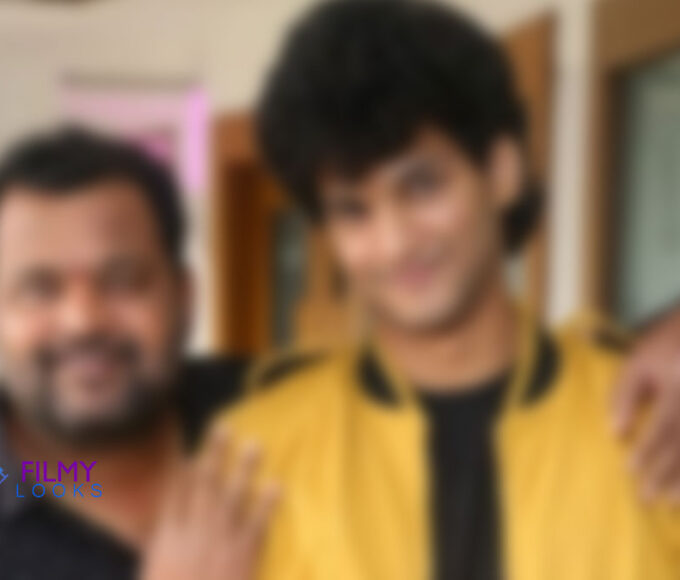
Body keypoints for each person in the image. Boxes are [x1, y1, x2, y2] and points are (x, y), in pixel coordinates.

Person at [219, 1, 680, 579]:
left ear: (502, 171)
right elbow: (102, 478)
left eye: (422, 186)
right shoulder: (252, 458)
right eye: (354, 211)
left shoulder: (652, 425)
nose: (394, 242)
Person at [0, 129, 278, 580]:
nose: (83, 321)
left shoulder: (280, 405)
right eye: (39, 289)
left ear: (184, 297)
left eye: (124, 281)